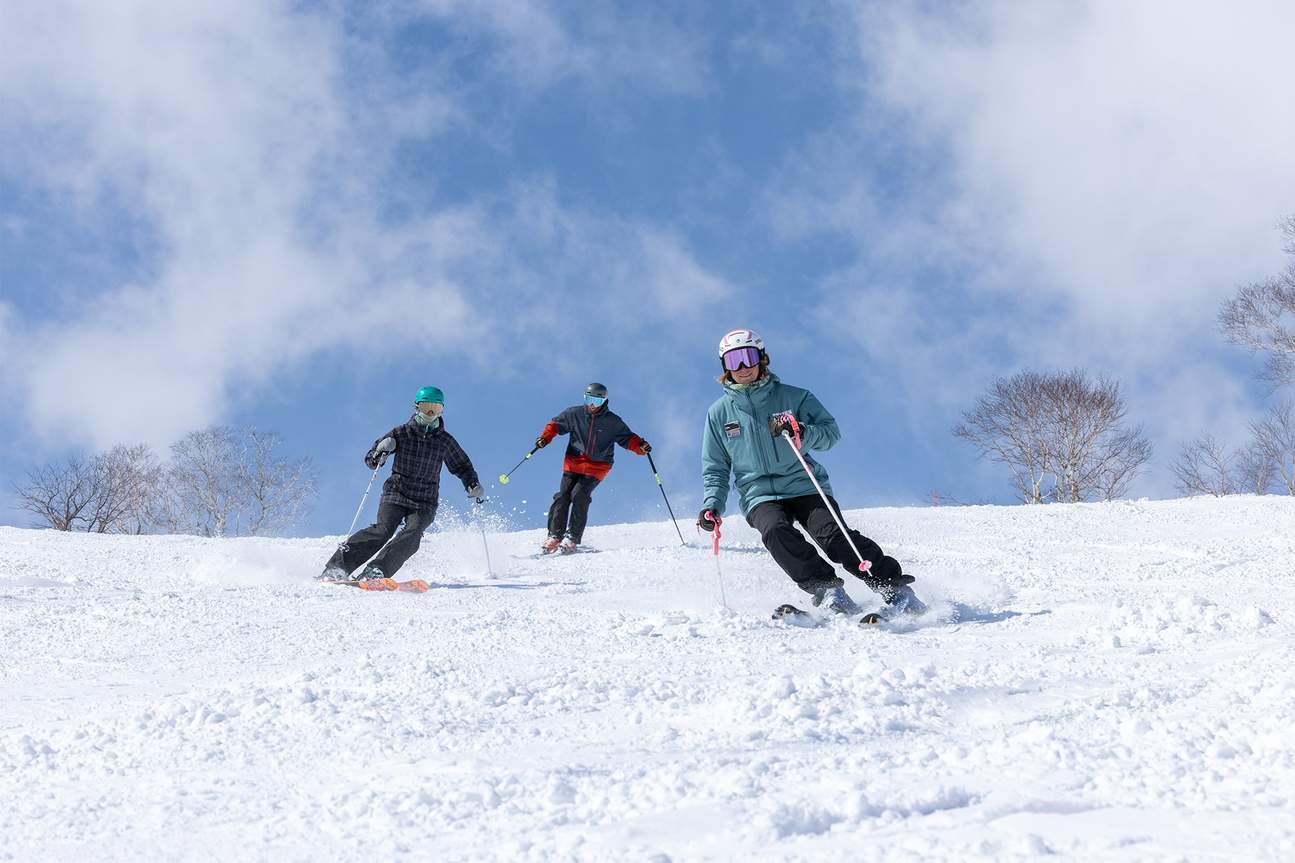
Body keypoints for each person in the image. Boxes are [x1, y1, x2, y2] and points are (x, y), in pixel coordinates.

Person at [697, 329, 924, 617]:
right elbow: (715, 467)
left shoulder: (794, 397)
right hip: (759, 493)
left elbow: (831, 433)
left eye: (748, 357)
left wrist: (801, 432)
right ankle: (828, 589)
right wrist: (711, 505)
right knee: (775, 531)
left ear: (762, 359)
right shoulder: (719, 414)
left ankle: (892, 586)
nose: (743, 368)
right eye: (734, 361)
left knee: (833, 537)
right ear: (725, 368)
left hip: (804, 484)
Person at [319, 385, 484, 582]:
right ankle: (337, 568)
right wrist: (380, 452)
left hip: (425, 501)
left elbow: (462, 465)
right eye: (426, 407)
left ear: (442, 410)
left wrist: (472, 484)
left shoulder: (445, 441)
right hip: (396, 493)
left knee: (413, 534)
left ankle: (376, 571)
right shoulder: (401, 433)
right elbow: (371, 460)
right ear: (417, 407)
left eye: (436, 408)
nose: (431, 412)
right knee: (383, 530)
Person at [534, 382, 651, 553]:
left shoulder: (612, 422)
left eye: (596, 401)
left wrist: (640, 446)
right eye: (588, 399)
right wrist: (545, 438)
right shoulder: (574, 414)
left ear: (604, 401)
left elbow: (628, 439)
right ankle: (555, 535)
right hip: (573, 463)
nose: (591, 405)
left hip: (597, 466)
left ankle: (572, 537)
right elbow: (555, 425)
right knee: (562, 496)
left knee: (579, 495)